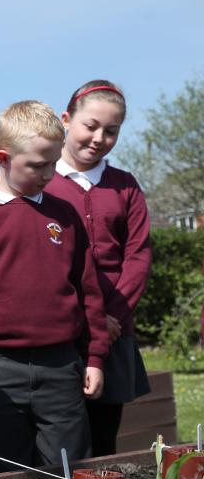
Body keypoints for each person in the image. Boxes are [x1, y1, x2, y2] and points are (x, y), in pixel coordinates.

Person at [0, 100, 109, 476]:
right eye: (39, 165)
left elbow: (88, 292)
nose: (49, 173)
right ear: (4, 158)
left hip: (61, 368)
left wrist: (94, 357)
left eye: (53, 163)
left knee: (70, 474)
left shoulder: (64, 216)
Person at [45, 80, 152, 456]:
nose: (99, 137)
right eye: (91, 125)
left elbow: (137, 256)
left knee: (104, 440)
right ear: (66, 120)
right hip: (59, 335)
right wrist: (84, 317)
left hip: (114, 330)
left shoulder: (125, 187)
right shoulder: (43, 183)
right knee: (61, 443)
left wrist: (111, 317)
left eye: (111, 131)